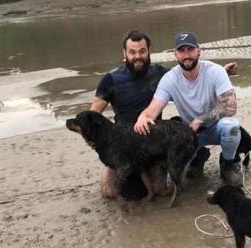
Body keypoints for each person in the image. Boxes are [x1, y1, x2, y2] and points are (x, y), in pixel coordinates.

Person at [91, 30, 237, 199]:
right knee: (112, 193)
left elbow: (188, 73)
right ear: (124, 53)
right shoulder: (111, 79)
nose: (137, 56)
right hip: (122, 146)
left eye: (142, 51)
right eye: (132, 52)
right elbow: (93, 117)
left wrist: (222, 72)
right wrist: (107, 149)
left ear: (148, 51)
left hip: (153, 143)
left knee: (161, 191)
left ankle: (205, 156)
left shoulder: (160, 74)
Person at [134, 31, 243, 186]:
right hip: (189, 133)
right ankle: (198, 156)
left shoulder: (216, 71)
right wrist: (144, 117)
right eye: (181, 51)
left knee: (232, 127)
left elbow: (230, 106)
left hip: (214, 127)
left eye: (190, 50)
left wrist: (200, 119)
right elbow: (154, 108)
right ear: (175, 54)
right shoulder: (169, 79)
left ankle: (227, 164)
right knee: (178, 178)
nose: (186, 55)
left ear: (199, 51)